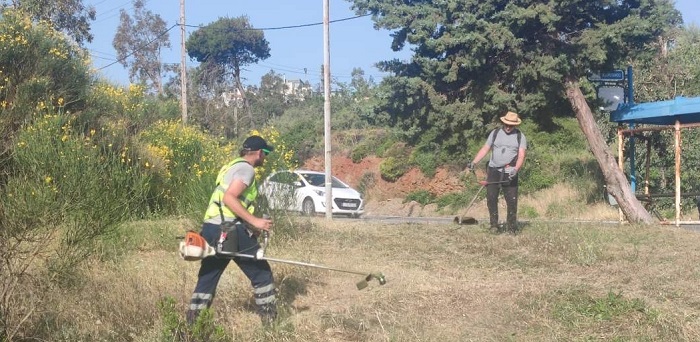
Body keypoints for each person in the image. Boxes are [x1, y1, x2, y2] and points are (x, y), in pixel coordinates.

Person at [187, 135, 277, 325]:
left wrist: (249, 225)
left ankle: (193, 326)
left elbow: (225, 203)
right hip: (229, 231)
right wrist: (255, 221)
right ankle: (271, 323)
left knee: (208, 276)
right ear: (259, 153)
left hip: (212, 228)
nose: (265, 158)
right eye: (266, 153)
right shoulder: (246, 169)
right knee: (261, 273)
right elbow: (230, 198)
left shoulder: (232, 166)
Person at [466, 111, 528, 234]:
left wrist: (516, 169)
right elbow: (485, 148)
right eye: (507, 124)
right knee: (491, 198)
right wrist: (474, 162)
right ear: (503, 122)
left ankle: (511, 228)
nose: (508, 127)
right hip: (493, 170)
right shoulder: (495, 133)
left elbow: (521, 156)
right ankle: (494, 225)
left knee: (511, 201)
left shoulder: (520, 136)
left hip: (510, 172)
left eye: (511, 125)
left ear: (515, 125)